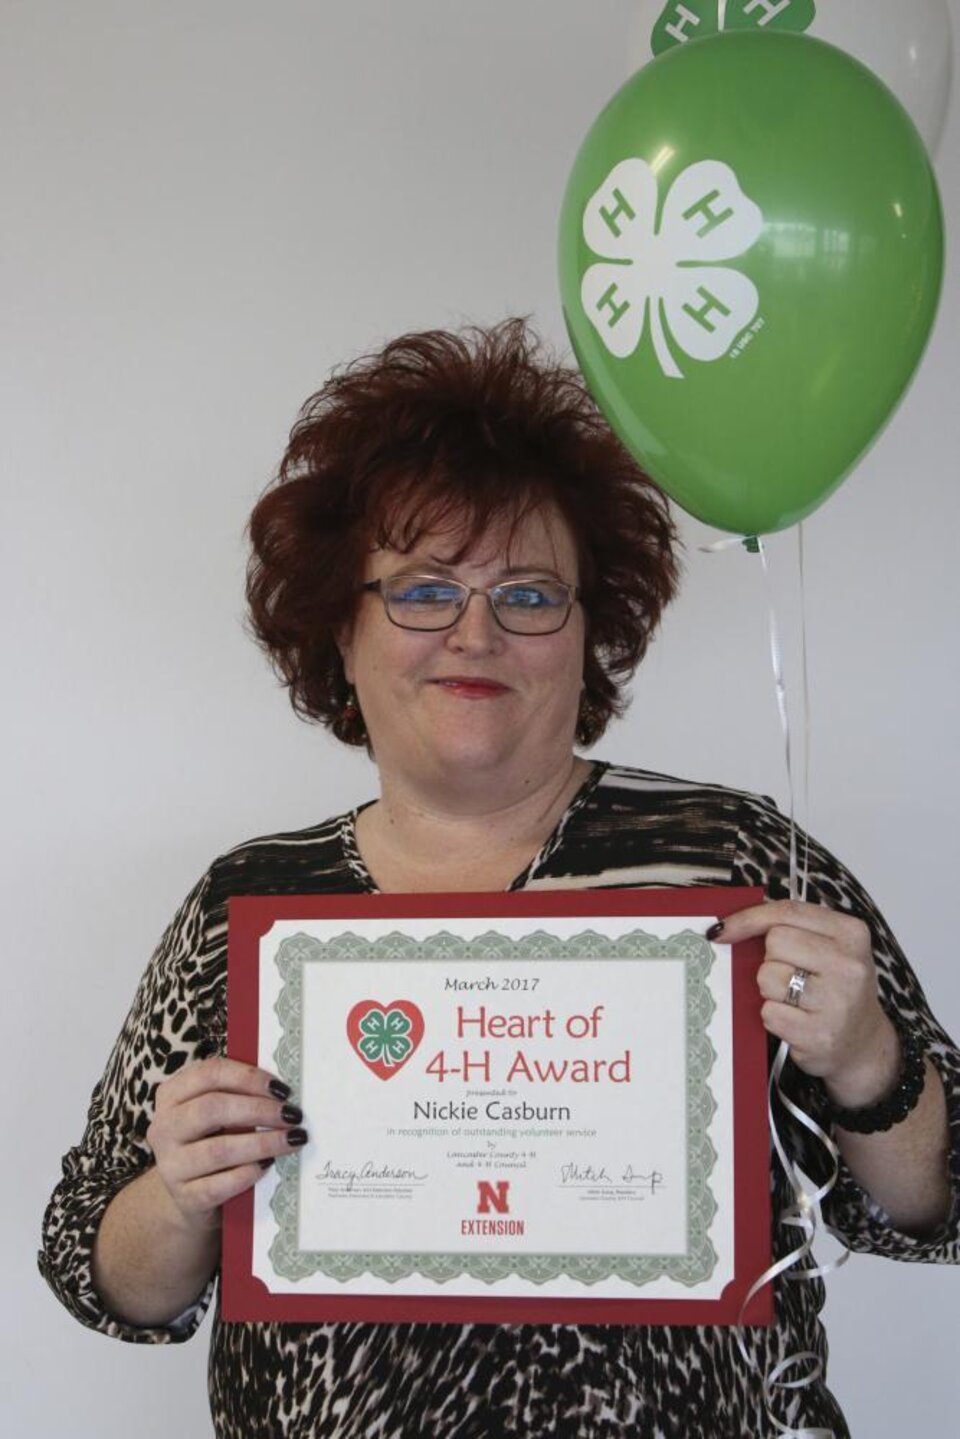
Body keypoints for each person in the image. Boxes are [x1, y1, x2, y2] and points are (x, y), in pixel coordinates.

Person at [40, 320, 959, 1439]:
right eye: (425, 589)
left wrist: (870, 1063)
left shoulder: (735, 858)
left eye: (528, 594)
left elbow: (937, 1204)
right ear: (343, 624)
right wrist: (181, 1191)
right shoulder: (249, 905)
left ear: (587, 629)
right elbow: (104, 1272)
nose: (476, 632)